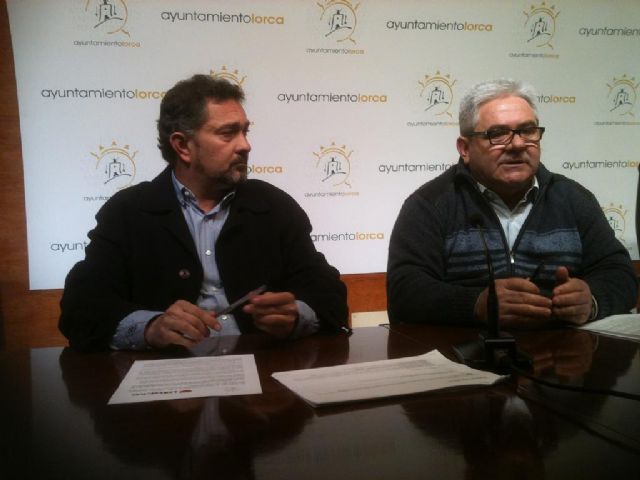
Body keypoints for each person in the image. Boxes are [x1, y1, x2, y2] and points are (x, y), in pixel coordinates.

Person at [60, 74, 348, 351]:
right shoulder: (127, 211)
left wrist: (296, 315)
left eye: (245, 131)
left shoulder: (274, 206)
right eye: (228, 133)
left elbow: (329, 294)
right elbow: (81, 308)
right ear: (182, 146)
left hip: (262, 371)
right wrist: (151, 328)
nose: (245, 145)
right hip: (168, 376)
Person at [387, 78, 637, 328]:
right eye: (497, 134)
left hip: (563, 349)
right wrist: (476, 304)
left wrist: (591, 300)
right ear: (465, 148)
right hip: (465, 348)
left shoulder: (573, 198)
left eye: (527, 131)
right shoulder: (430, 204)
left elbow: (620, 274)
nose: (517, 144)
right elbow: (404, 293)